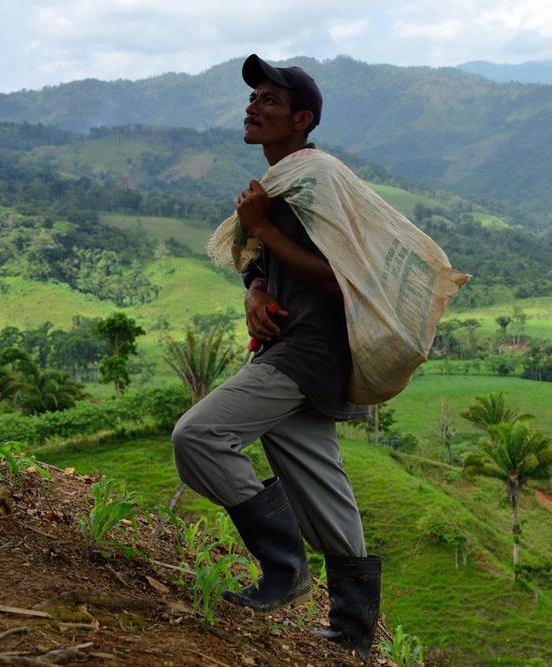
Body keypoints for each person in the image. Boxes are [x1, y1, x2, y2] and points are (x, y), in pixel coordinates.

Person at [171, 54, 380, 658]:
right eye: (253, 97)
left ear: (302, 119)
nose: (253, 106)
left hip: (309, 351)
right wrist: (256, 292)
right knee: (320, 483)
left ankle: (284, 568)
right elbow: (266, 268)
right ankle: (353, 633)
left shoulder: (315, 184)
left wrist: (262, 227)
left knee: (198, 437)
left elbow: (344, 280)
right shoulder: (284, 187)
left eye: (269, 100)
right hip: (292, 345)